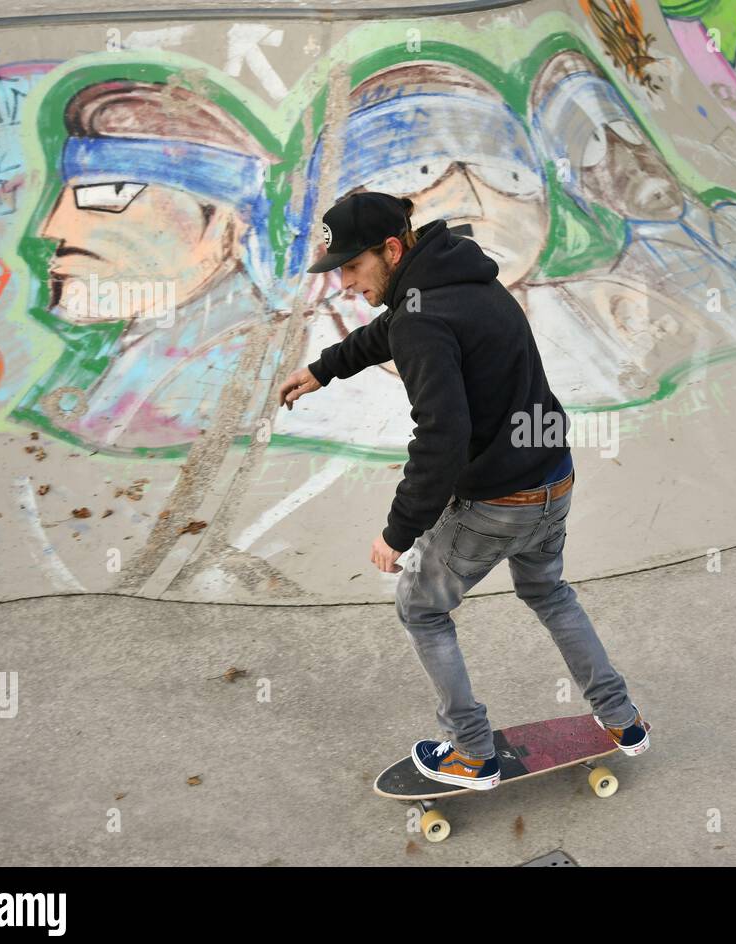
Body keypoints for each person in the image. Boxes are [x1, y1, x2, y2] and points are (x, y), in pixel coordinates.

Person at [278, 191, 650, 789]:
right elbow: (393, 331)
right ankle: (622, 717)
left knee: (420, 607)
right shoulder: (459, 279)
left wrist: (397, 532)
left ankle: (471, 750)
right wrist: (326, 367)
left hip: (499, 502)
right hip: (552, 480)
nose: (345, 282)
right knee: (549, 593)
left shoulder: (422, 319)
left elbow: (442, 438)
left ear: (392, 250)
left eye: (352, 266)